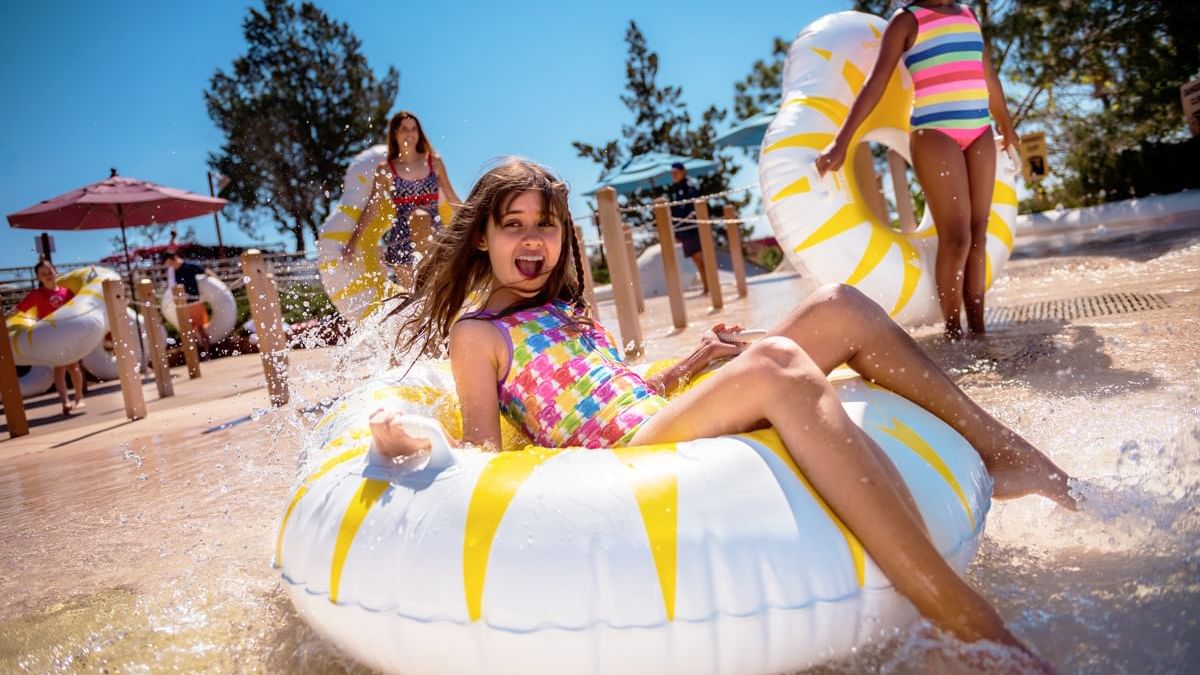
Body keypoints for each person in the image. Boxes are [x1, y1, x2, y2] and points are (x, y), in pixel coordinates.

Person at [369, 158, 1073, 665]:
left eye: (547, 227)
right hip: (627, 454)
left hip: (656, 413)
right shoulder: (478, 334)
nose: (533, 241)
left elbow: (616, 386)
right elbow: (485, 455)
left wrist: (691, 366)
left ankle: (1002, 450)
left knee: (840, 304)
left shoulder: (570, 311)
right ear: (483, 238)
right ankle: (965, 623)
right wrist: (419, 444)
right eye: (513, 225)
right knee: (778, 365)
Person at [816, 0, 1020, 341]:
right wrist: (841, 141)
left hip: (980, 132)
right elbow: (875, 83)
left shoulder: (968, 14)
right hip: (934, 133)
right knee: (956, 238)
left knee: (978, 234)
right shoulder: (907, 21)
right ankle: (955, 333)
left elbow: (989, 77)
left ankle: (980, 334)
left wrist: (1008, 128)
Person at [343, 111, 462, 289]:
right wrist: (353, 242)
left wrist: (477, 225)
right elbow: (372, 207)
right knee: (414, 299)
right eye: (404, 129)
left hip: (433, 234)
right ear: (395, 134)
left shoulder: (433, 163)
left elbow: (452, 199)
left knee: (420, 216)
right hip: (402, 238)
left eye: (414, 129)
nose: (410, 133)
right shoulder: (386, 170)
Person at [13, 259, 85, 415]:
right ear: (38, 278)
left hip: (68, 334)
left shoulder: (67, 293)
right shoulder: (36, 295)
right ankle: (65, 401)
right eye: (43, 274)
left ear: (55, 272)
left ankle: (79, 397)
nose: (47, 275)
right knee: (59, 368)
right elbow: (18, 310)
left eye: (49, 271)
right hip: (52, 336)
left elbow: (79, 310)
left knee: (73, 366)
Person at [160, 251, 217, 357]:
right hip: (183, 305)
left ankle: (208, 353)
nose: (168, 265)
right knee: (188, 331)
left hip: (195, 302)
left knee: (201, 329)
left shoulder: (189, 266)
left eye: (168, 262)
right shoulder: (173, 272)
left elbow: (206, 271)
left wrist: (219, 286)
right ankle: (195, 356)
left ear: (173, 259)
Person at [665, 162, 708, 294]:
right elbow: (676, 212)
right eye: (672, 172)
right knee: (696, 260)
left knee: (701, 259)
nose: (674, 175)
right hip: (685, 231)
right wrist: (677, 233)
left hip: (693, 230)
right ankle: (707, 286)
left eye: (676, 172)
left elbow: (693, 208)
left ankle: (709, 286)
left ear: (683, 172)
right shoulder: (675, 190)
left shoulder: (690, 187)